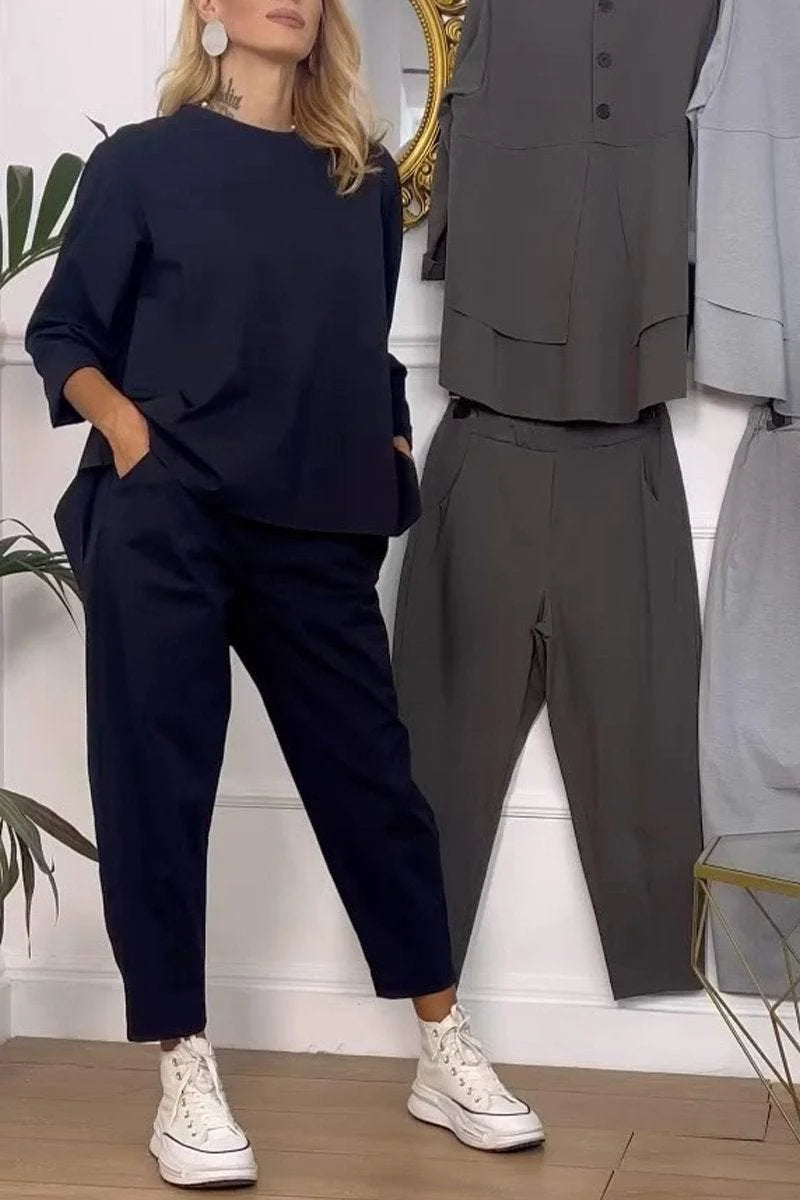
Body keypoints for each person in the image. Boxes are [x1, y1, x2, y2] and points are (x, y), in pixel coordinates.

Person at [25, 0, 543, 1188]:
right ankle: (183, 1063)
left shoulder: (357, 181)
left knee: (372, 783)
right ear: (207, 8)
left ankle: (440, 1042)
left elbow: (362, 346)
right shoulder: (142, 163)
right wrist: (130, 437)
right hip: (167, 518)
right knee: (158, 784)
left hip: (314, 521)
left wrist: (389, 441)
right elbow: (65, 333)